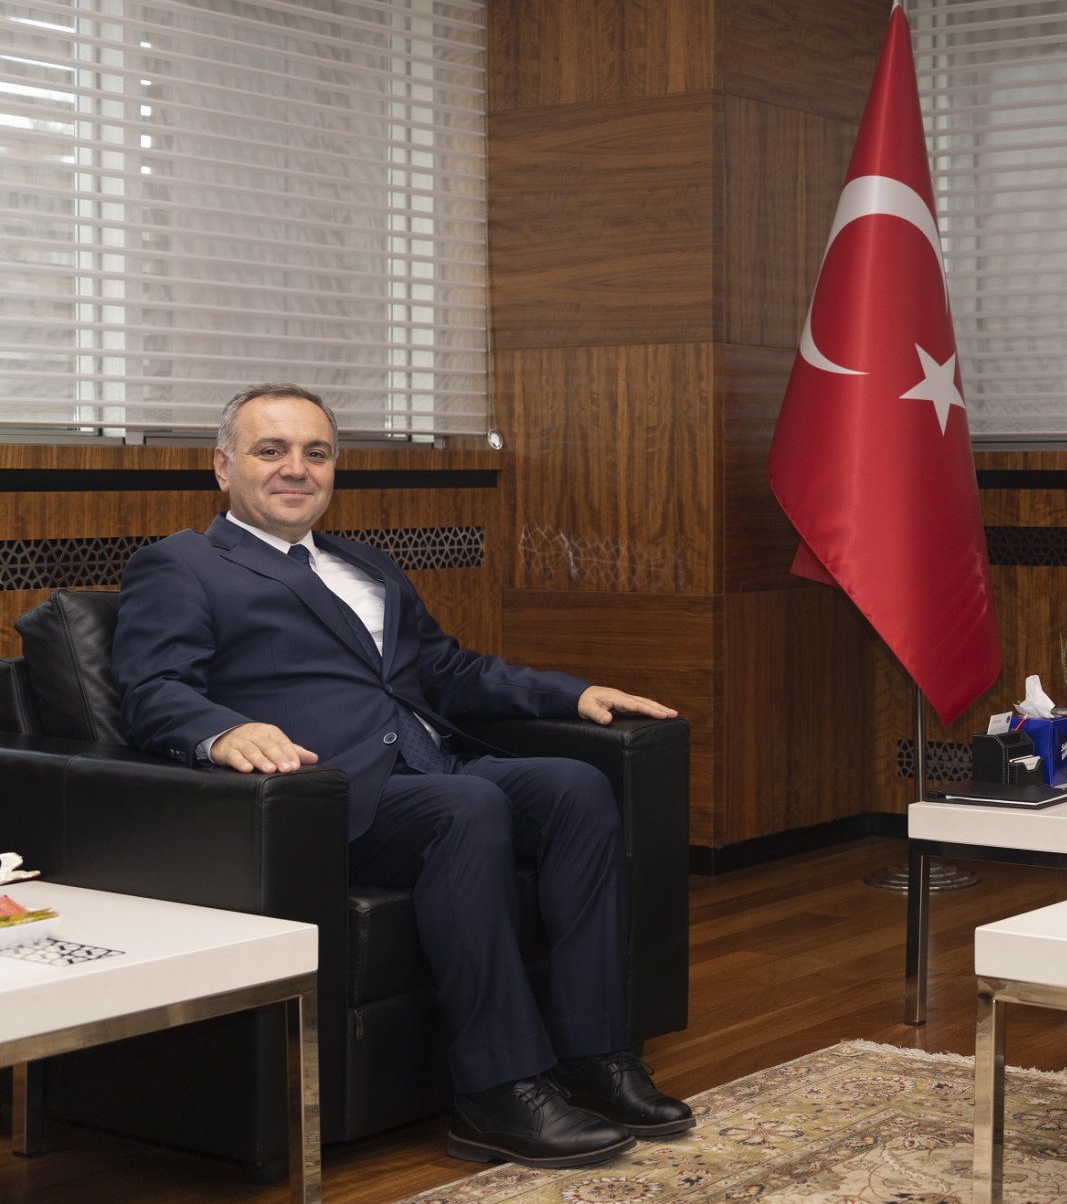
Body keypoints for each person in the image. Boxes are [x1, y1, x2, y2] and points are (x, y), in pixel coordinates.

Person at [113, 383, 693, 1170]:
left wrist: (572, 693)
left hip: (431, 769)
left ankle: (596, 1054)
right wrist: (223, 731)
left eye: (316, 453)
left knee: (575, 787)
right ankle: (498, 1091)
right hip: (327, 796)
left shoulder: (366, 564)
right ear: (223, 467)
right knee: (468, 805)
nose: (296, 468)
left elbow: (446, 671)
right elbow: (152, 690)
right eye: (271, 450)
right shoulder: (180, 565)